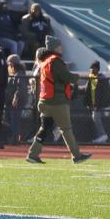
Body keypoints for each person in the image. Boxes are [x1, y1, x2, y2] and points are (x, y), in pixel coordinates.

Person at [25, 35, 91, 164]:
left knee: (44, 128)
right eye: (59, 45)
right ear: (55, 47)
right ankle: (76, 156)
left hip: (45, 101)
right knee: (66, 129)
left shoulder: (45, 62)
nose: (62, 48)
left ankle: (32, 154)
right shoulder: (55, 61)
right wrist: (77, 77)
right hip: (57, 102)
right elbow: (66, 77)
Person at [84, 61, 110, 145]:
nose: (91, 70)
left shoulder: (102, 78)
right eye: (90, 68)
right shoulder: (91, 77)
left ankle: (103, 135)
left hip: (99, 103)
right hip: (92, 103)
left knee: (96, 117)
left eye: (93, 68)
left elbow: (105, 92)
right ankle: (101, 136)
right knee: (96, 118)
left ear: (97, 69)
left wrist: (100, 103)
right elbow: (87, 89)